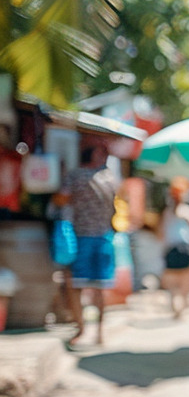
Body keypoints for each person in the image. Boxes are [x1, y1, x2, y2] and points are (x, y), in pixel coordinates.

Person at [56, 145, 118, 346]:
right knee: (99, 288)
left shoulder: (77, 176)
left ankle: (81, 329)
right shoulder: (110, 179)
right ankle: (99, 333)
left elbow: (60, 199)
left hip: (81, 236)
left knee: (76, 285)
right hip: (105, 237)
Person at [160, 177, 189, 319]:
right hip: (187, 249)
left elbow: (162, 233)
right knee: (187, 280)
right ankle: (182, 304)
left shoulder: (167, 212)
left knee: (173, 281)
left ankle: (176, 302)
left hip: (171, 249)